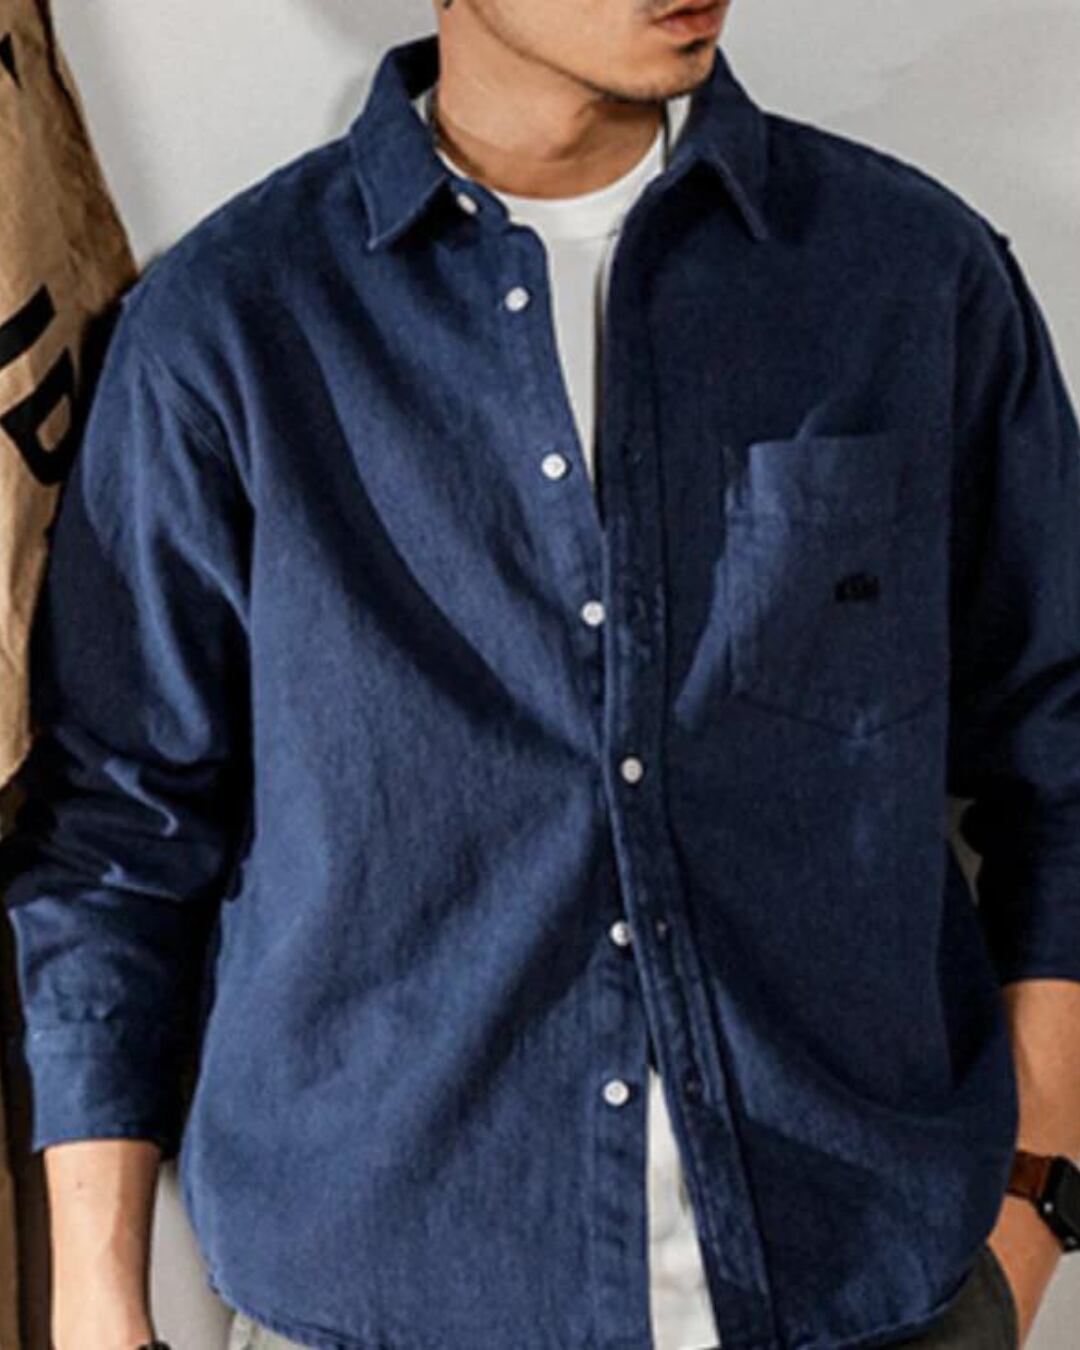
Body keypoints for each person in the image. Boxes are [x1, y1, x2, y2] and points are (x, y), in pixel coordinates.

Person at [2, 0, 1080, 1346]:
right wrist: (99, 1302)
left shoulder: (908, 278)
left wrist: (1039, 1190)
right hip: (385, 1304)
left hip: (871, 1292)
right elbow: (121, 831)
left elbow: (1058, 751)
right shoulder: (231, 328)